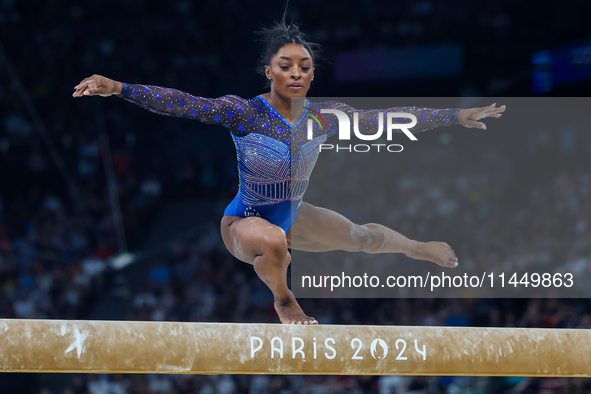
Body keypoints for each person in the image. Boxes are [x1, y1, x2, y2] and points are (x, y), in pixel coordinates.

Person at [73, 20, 504, 325]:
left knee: (361, 238)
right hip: (245, 221)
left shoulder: (326, 118)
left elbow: (391, 117)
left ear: (313, 74)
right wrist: (120, 88)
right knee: (275, 241)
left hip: (293, 213)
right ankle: (284, 301)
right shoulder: (244, 113)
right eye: (285, 65)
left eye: (304, 67)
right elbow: (183, 102)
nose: (295, 73)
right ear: (269, 71)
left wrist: (456, 115)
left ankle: (417, 248)